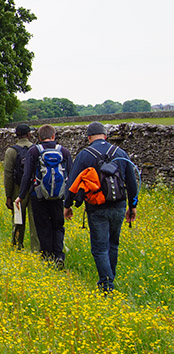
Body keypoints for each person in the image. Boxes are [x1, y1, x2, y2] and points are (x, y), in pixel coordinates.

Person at [64, 121, 138, 293]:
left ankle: (106, 285)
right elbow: (132, 183)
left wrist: (67, 205)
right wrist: (132, 206)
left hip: (97, 207)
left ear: (89, 137)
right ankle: (109, 280)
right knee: (113, 244)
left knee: (99, 247)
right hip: (119, 205)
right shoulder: (120, 152)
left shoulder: (85, 155)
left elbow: (72, 182)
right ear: (105, 135)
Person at [15, 125, 72, 267]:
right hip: (59, 196)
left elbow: (27, 175)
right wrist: (70, 199)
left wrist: (21, 196)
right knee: (58, 226)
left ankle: (47, 258)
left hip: (38, 195)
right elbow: (70, 175)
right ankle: (59, 255)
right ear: (53, 136)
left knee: (43, 226)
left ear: (39, 138)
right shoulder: (63, 151)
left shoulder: (34, 151)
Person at [4, 124, 39, 251]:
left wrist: (8, 195)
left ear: (16, 135)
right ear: (29, 134)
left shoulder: (11, 151)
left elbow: (8, 174)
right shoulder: (36, 149)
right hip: (34, 188)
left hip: (17, 189)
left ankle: (17, 245)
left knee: (18, 219)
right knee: (35, 220)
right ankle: (36, 248)